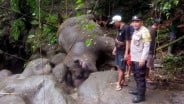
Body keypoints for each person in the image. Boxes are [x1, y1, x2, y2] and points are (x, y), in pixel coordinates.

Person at [129, 15, 151, 103]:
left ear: (141, 22)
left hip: (140, 59)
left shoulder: (145, 31)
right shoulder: (135, 30)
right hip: (134, 58)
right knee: (136, 75)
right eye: (134, 21)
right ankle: (138, 90)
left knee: (140, 78)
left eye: (137, 21)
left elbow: (147, 46)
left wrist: (143, 59)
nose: (135, 23)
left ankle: (141, 96)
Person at [111, 15, 131, 91]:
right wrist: (115, 48)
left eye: (114, 23)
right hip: (118, 50)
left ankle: (119, 84)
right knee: (119, 66)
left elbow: (127, 41)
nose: (114, 24)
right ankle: (122, 81)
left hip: (123, 51)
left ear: (118, 21)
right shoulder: (119, 28)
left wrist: (126, 53)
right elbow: (118, 39)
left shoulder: (126, 28)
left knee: (121, 68)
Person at [146, 18, 162, 83]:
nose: (161, 26)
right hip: (149, 50)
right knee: (148, 65)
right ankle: (146, 77)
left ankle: (146, 76)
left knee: (148, 65)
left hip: (149, 50)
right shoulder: (152, 31)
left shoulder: (151, 29)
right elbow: (151, 43)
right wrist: (152, 53)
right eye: (160, 25)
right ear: (158, 25)